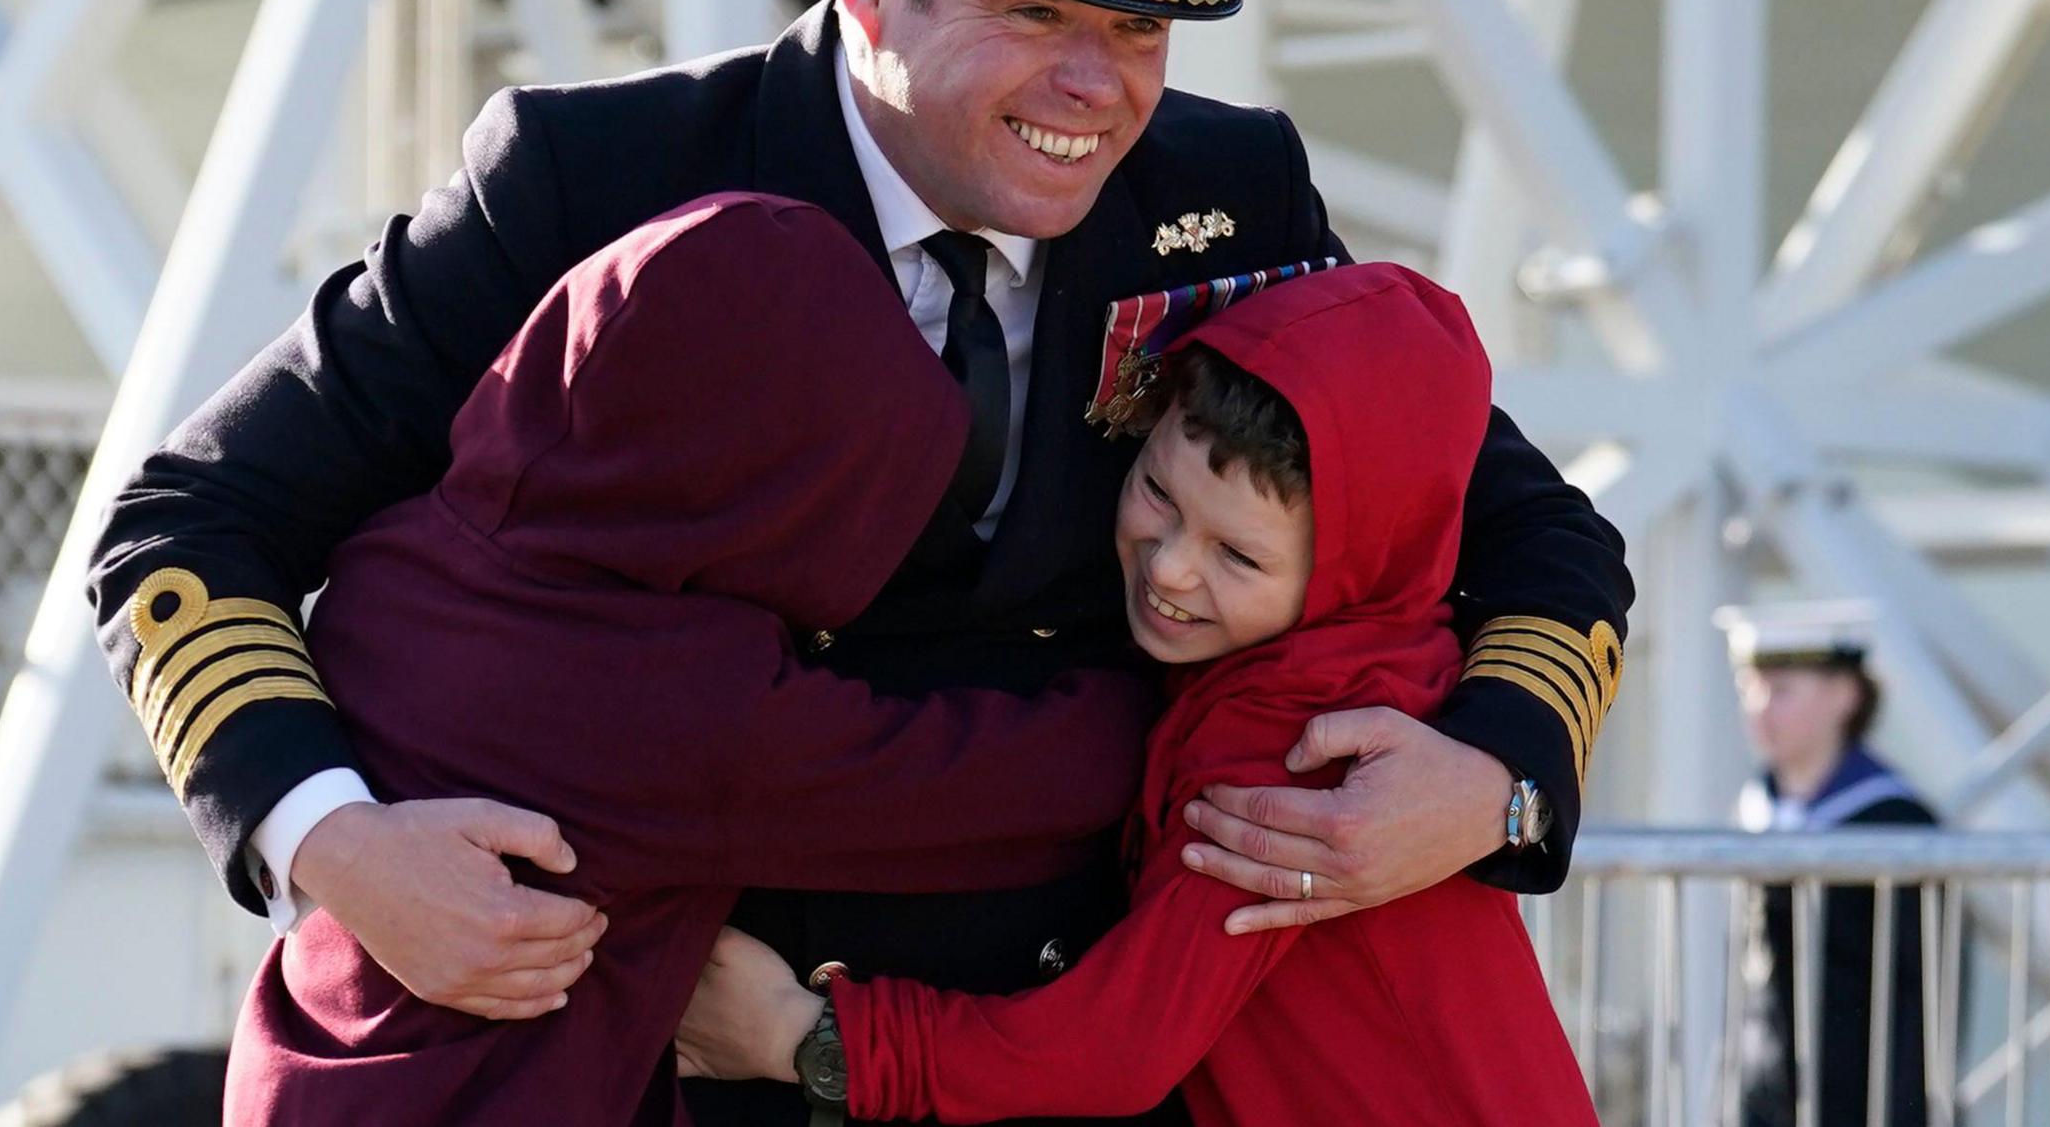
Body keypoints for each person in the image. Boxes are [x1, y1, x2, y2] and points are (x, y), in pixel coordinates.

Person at [88, 0, 1633, 1125]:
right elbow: (190, 527)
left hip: (1064, 1054)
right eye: (1037, 9)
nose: (1097, 88)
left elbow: (1529, 532)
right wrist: (335, 844)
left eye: (1148, 30)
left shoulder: (1224, 197)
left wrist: (1489, 781)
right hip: (686, 1055)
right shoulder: (588, 183)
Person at [226, 193, 1167, 1124]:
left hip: (306, 1076)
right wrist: (1196, 694)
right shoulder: (678, 707)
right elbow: (1008, 783)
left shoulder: (402, 557)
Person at [672, 262, 1600, 1125]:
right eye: (1157, 489)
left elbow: (1118, 1050)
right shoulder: (1357, 661)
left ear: (1350, 570)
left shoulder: (1296, 750)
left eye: (1238, 554)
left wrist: (813, 1038)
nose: (1171, 569)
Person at [1729, 609, 1936, 1127]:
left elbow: (1919, 1004)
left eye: (1781, 690)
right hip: (1768, 1094)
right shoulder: (1756, 808)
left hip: (1863, 1100)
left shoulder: (1897, 826)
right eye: (1750, 687)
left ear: (1844, 696)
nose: (1758, 708)